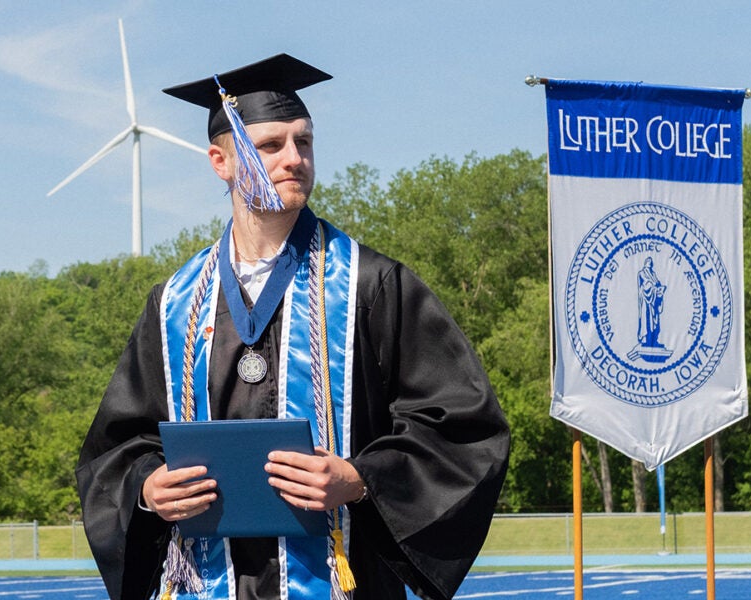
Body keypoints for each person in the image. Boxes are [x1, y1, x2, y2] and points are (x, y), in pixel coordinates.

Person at [76, 54, 510, 600]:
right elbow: (116, 448)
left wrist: (360, 479)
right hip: (209, 585)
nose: (294, 159)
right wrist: (147, 489)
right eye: (270, 146)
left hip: (342, 583)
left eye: (303, 142)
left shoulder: (372, 287)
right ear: (221, 161)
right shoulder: (175, 305)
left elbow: (464, 429)